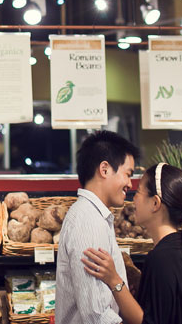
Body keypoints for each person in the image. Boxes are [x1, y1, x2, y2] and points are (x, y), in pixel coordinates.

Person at [81, 163, 182, 324]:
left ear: (155, 203)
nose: (133, 198)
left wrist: (114, 280)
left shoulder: (162, 258)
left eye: (139, 192)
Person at [56, 130, 140, 324]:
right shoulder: (88, 222)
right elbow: (96, 314)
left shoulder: (95, 216)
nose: (130, 184)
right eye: (128, 174)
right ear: (104, 169)